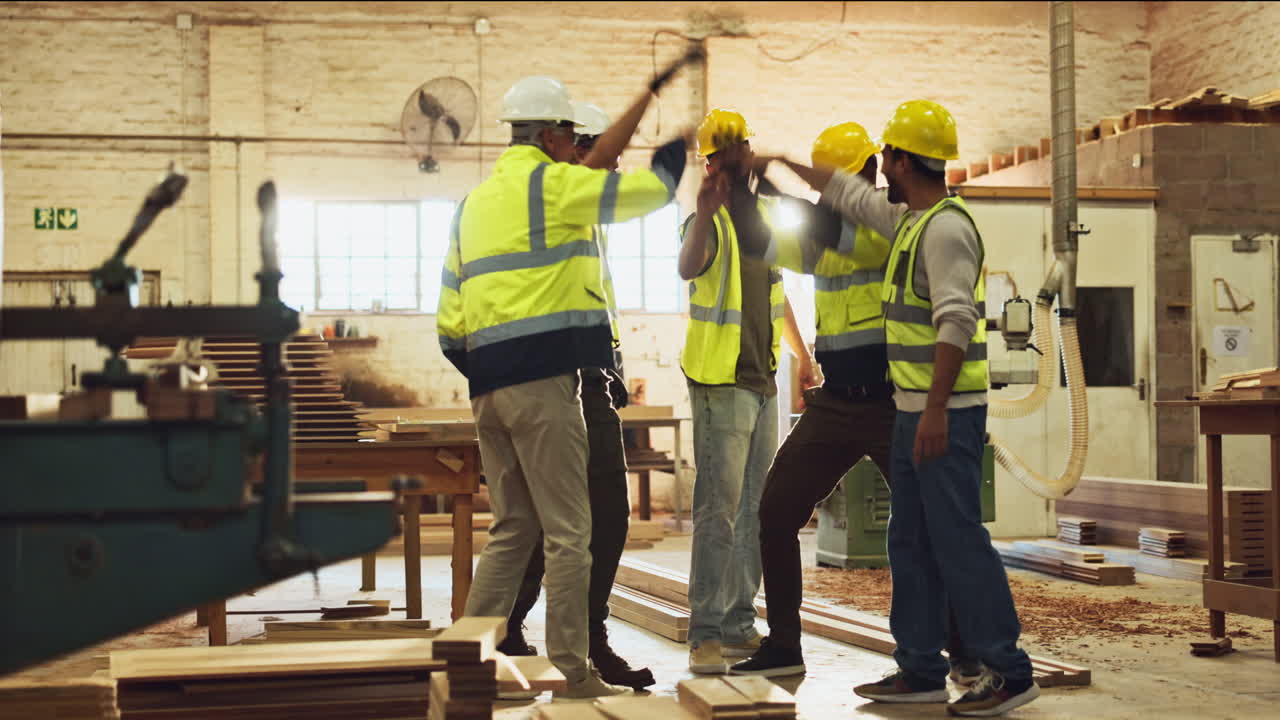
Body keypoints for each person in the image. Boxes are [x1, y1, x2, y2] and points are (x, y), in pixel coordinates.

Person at [754, 100, 1039, 716]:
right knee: (907, 539)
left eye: (886, 155)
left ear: (902, 160)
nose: (880, 166)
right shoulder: (908, 219)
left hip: (937, 409)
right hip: (905, 406)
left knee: (956, 539)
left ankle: (1007, 669)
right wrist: (775, 163)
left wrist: (934, 409)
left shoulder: (944, 228)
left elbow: (956, 319)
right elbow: (848, 201)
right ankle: (919, 669)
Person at [436, 70, 691, 699]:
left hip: (487, 388)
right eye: (571, 137)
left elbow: (449, 322)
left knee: (513, 528)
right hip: (543, 384)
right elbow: (649, 194)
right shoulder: (552, 187)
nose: (575, 146)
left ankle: (467, 661)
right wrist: (675, 152)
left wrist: (492, 374)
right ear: (552, 136)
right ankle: (575, 676)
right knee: (570, 534)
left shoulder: (472, 204)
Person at [495, 99, 656, 692]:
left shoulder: (577, 217)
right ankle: (567, 641)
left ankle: (527, 632)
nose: (612, 175)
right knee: (589, 519)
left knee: (563, 520)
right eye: (604, 161)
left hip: (589, 379)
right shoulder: (558, 204)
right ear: (571, 149)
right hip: (564, 381)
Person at [727, 122, 895, 678]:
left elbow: (826, 224)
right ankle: (783, 644)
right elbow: (759, 242)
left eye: (836, 181)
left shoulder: (890, 226)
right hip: (836, 403)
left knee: (931, 524)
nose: (829, 194)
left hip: (894, 406)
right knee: (775, 513)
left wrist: (772, 175)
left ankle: (961, 650)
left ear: (867, 174)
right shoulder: (827, 231)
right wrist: (739, 186)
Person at [678, 108, 810, 675]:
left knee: (759, 508)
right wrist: (704, 214)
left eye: (741, 150)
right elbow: (688, 268)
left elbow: (778, 296)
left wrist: (804, 357)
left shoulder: (766, 219)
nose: (735, 161)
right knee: (718, 511)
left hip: (763, 381)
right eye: (724, 153)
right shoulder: (704, 221)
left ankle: (736, 620)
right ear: (710, 164)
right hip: (720, 382)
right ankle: (705, 630)